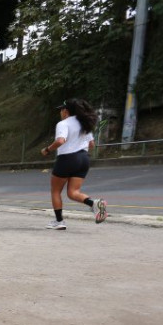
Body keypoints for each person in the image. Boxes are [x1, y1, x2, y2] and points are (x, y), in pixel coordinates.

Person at [40, 99, 108, 230]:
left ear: (66, 111)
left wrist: (47, 149)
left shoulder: (63, 123)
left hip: (67, 158)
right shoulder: (84, 123)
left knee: (55, 191)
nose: (60, 112)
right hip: (84, 159)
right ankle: (95, 203)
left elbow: (60, 140)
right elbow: (92, 144)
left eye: (61, 110)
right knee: (73, 192)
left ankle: (59, 221)